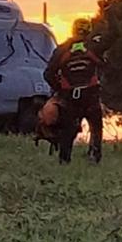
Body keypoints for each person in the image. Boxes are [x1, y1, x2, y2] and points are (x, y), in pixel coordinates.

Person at [44, 18, 105, 164]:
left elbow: (48, 74)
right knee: (96, 127)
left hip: (69, 96)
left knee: (68, 130)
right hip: (91, 94)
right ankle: (94, 157)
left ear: (73, 30)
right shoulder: (94, 46)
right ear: (89, 30)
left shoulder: (62, 49)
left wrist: (59, 89)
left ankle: (64, 161)